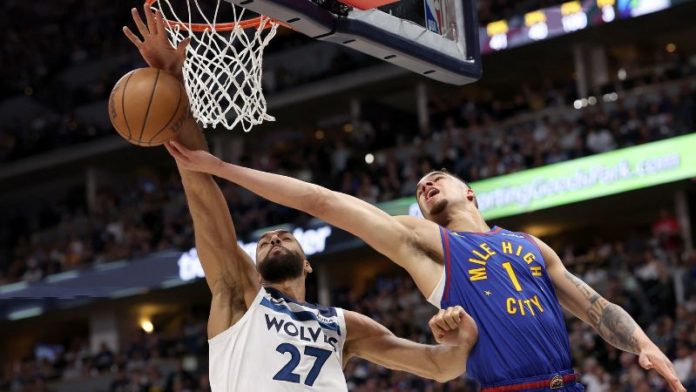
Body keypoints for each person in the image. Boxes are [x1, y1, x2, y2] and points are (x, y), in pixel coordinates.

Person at [123, 6, 478, 391]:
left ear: (307, 265)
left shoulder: (346, 324)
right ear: (255, 268)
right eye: (264, 242)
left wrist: (462, 339)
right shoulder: (240, 295)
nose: (274, 238)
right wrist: (176, 94)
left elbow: (437, 366)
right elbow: (202, 196)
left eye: (283, 237)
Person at [165, 149, 686, 390]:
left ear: (470, 192)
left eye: (438, 177)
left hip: (568, 383)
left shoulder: (530, 247)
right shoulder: (426, 242)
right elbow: (322, 201)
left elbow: (596, 308)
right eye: (420, 188)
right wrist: (220, 168)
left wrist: (643, 343)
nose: (426, 185)